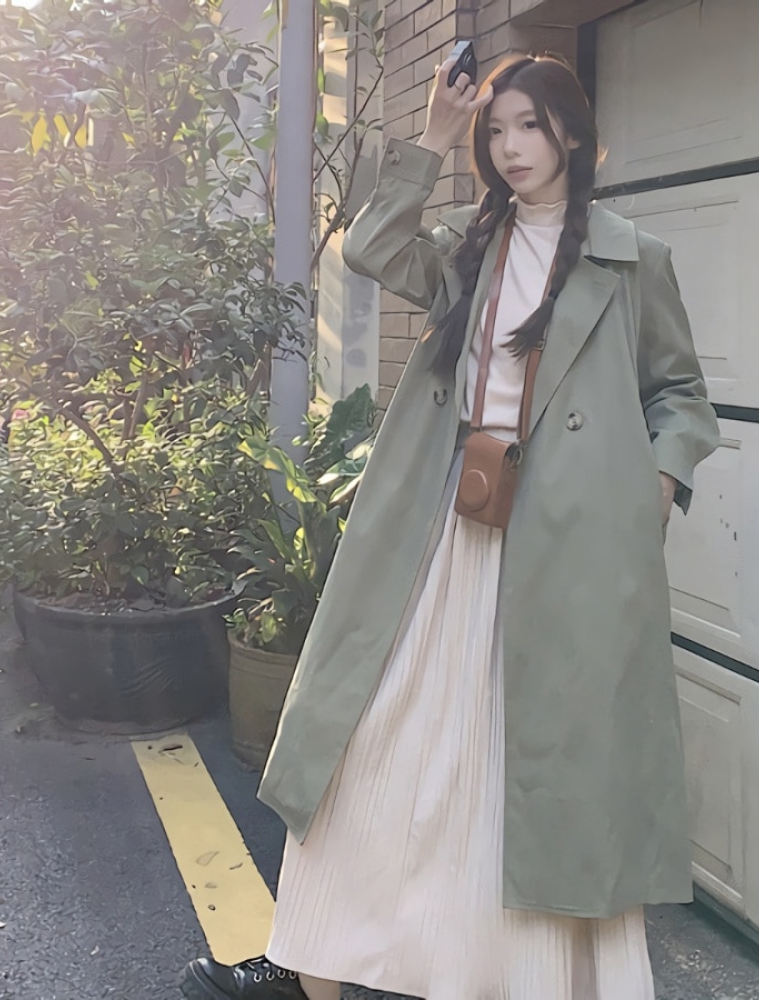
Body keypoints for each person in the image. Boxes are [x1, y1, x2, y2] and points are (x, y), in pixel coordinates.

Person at [182, 52, 720, 1000]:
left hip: (569, 554)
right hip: (442, 540)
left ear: (572, 133)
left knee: (537, 770)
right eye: (495, 131)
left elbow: (679, 393)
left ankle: (531, 979)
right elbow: (369, 246)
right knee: (376, 743)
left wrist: (658, 486)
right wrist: (432, 132)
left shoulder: (633, 258)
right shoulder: (469, 246)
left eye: (530, 126)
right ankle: (315, 964)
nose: (511, 148)